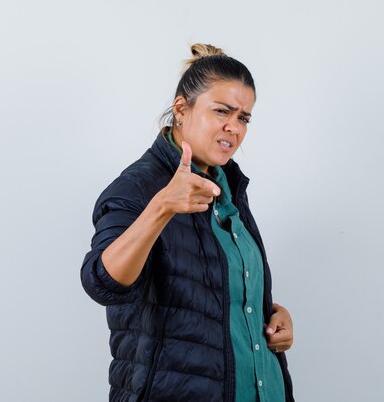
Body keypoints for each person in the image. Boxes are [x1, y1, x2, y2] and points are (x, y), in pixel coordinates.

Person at [81, 43, 295, 402]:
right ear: (182, 109)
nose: (234, 127)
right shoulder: (137, 188)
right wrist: (162, 207)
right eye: (221, 111)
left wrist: (272, 315)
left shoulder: (229, 186)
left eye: (243, 117)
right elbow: (101, 284)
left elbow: (215, 295)